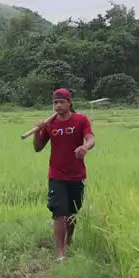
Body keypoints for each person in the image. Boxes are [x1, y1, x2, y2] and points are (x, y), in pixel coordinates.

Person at [32, 88, 95, 262]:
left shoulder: (81, 120)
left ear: (69, 102)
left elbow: (91, 138)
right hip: (56, 175)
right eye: (55, 102)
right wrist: (38, 130)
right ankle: (60, 252)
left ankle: (70, 239)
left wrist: (85, 147)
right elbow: (37, 148)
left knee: (72, 213)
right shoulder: (50, 124)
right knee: (59, 212)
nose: (58, 105)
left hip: (76, 175)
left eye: (61, 102)